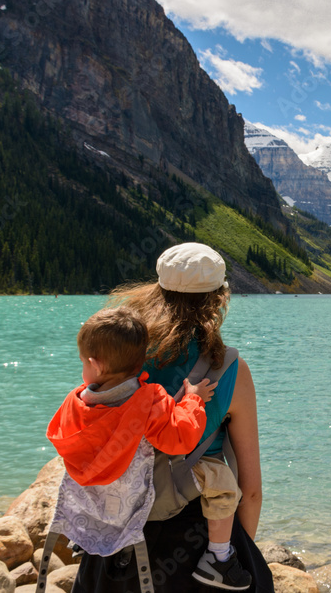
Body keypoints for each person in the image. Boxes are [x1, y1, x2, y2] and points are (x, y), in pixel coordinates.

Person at [71, 242, 268, 593]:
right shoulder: (231, 369)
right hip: (196, 541)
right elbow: (250, 491)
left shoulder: (119, 359)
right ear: (219, 298)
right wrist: (233, 554)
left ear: (156, 289)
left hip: (118, 536)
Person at [47, 305, 253, 590]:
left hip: (97, 499)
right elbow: (180, 438)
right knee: (222, 481)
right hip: (140, 498)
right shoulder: (149, 399)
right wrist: (192, 400)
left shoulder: (76, 402)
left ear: (95, 365)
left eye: (82, 362)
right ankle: (219, 558)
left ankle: (91, 536)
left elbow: (56, 434)